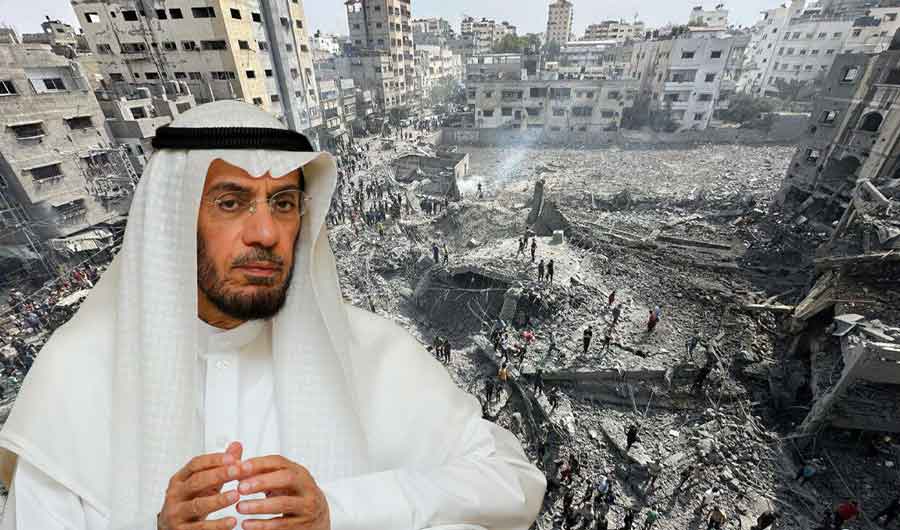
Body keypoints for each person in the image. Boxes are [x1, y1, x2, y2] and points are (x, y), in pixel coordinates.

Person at [0, 101, 545, 530]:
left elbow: (511, 483)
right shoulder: (79, 372)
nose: (265, 233)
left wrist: (340, 512)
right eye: (231, 202)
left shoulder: (372, 351)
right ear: (173, 219)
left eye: (283, 204)